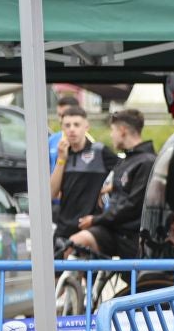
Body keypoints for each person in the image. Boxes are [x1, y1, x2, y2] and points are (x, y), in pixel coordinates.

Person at [65, 108, 155, 258]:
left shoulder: (146, 162)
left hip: (131, 237)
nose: (111, 135)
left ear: (123, 130)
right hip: (114, 231)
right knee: (73, 245)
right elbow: (126, 190)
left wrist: (95, 219)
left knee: (77, 242)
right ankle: (77, 282)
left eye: (113, 130)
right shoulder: (127, 160)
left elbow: (132, 206)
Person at [49, 105, 120, 244]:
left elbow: (127, 171)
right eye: (67, 125)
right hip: (64, 226)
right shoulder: (62, 154)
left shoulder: (99, 151)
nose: (72, 129)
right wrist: (61, 160)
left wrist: (108, 188)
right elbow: (51, 193)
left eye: (76, 125)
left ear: (86, 127)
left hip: (90, 226)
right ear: (62, 128)